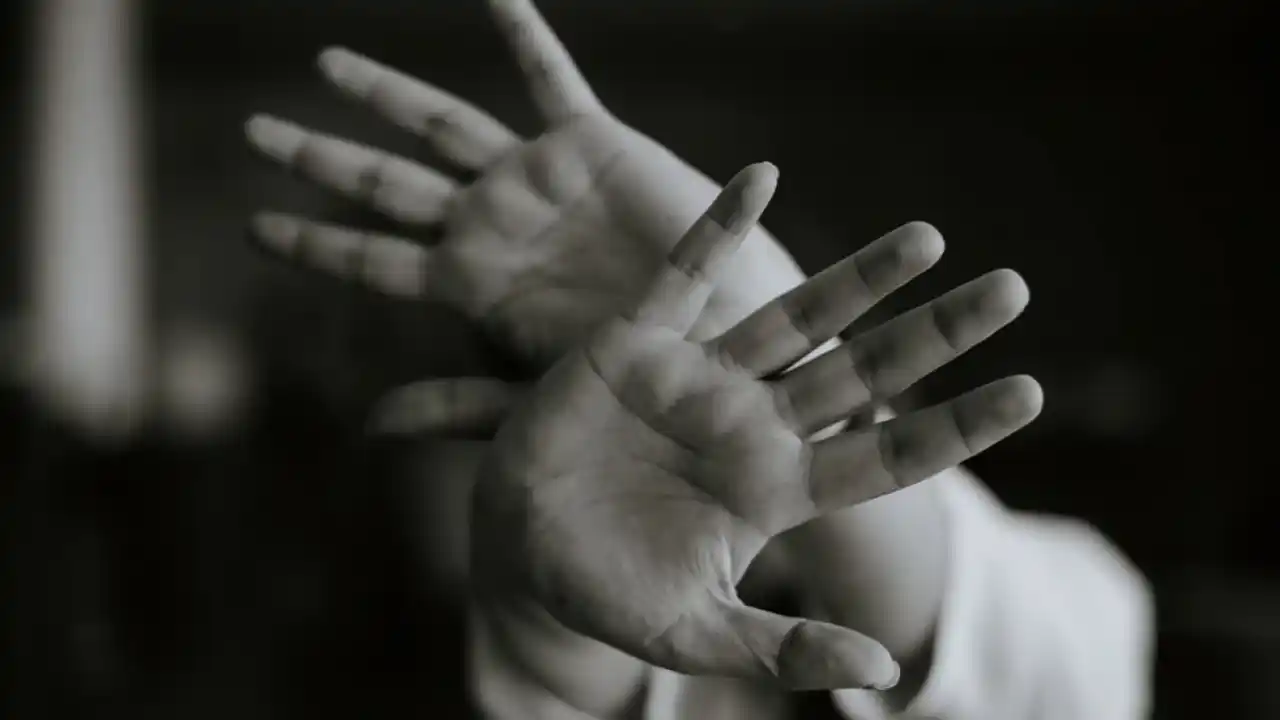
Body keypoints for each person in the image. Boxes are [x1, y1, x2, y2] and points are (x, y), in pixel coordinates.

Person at [243, 1, 1154, 717]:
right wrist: (545, 632)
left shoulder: (1076, 595)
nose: (702, 440)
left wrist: (804, 390)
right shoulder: (390, 638)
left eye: (776, 380)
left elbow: (1047, 676)